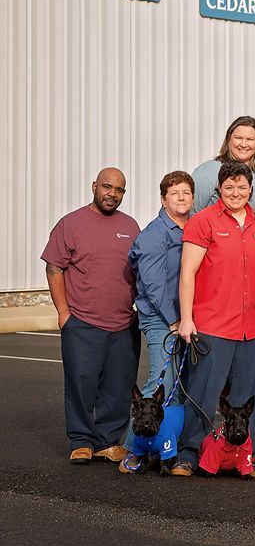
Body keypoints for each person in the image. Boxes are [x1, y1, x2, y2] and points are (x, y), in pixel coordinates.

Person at [171, 161, 255, 477]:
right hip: (213, 325)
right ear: (219, 189)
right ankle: (189, 453)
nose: (235, 193)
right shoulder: (203, 222)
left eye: (242, 187)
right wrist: (186, 319)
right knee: (203, 394)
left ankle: (244, 456)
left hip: (253, 326)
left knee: (247, 399)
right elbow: (187, 272)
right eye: (229, 187)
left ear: (250, 189)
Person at [42, 167, 140, 465]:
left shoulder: (131, 226)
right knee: (81, 383)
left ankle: (106, 441)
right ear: (94, 186)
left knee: (119, 386)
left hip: (123, 323)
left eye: (119, 190)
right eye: (107, 187)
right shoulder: (71, 224)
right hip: (83, 322)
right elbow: (54, 268)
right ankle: (81, 442)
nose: (112, 194)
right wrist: (64, 314)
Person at [122, 170, 194, 471]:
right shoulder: (154, 234)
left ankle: (168, 447)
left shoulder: (194, 226)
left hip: (186, 317)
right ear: (163, 199)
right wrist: (174, 320)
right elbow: (153, 285)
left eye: (186, 192)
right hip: (162, 319)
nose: (181, 198)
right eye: (174, 193)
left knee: (179, 388)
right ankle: (133, 448)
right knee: (159, 382)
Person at [192, 116, 255, 212]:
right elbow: (192, 214)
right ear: (229, 138)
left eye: (250, 139)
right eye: (238, 138)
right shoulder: (207, 172)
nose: (243, 144)